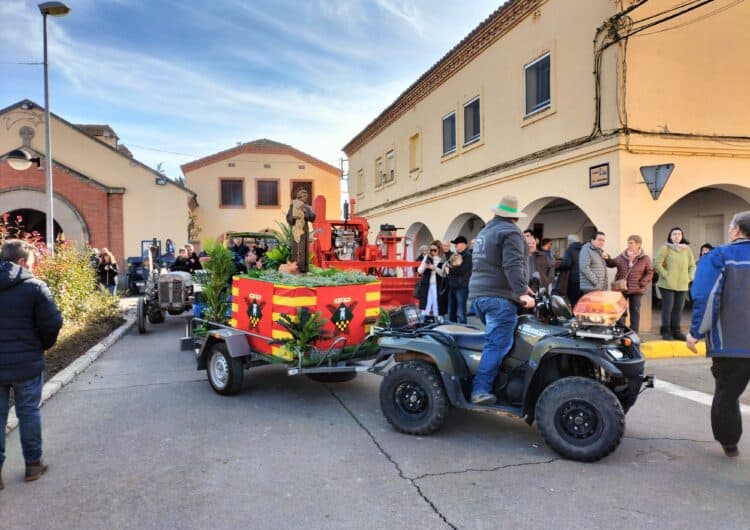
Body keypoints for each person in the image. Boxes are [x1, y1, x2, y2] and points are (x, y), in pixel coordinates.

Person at [0, 240, 63, 487]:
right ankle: (33, 466)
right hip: (27, 363)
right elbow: (52, 323)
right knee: (28, 413)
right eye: (33, 264)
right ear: (23, 262)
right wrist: (41, 346)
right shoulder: (34, 287)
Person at [686, 211, 750, 458]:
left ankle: (729, 443)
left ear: (736, 230)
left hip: (732, 346)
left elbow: (707, 296)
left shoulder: (720, 256)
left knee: (727, 394)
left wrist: (695, 333)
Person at [469, 196, 535, 405]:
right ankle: (480, 389)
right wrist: (521, 292)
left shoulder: (485, 231)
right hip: (499, 298)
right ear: (514, 217)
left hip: (480, 296)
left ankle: (502, 382)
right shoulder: (511, 232)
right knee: (497, 344)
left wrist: (525, 288)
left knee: (501, 340)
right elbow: (512, 264)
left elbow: (490, 264)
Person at [654, 227, 696, 340]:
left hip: (682, 284)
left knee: (678, 308)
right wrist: (666, 275)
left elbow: (692, 265)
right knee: (668, 308)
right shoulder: (665, 248)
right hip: (667, 284)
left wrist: (689, 277)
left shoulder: (687, 250)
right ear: (670, 236)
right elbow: (657, 263)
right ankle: (666, 331)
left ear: (682, 236)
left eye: (679, 234)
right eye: (674, 234)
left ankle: (676, 331)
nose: (677, 236)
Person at [612, 235, 654, 333]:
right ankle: (620, 331)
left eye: (631, 243)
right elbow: (612, 263)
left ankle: (634, 333)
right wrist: (607, 259)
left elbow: (650, 272)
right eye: (628, 242)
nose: (629, 245)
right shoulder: (622, 256)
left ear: (638, 244)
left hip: (636, 289)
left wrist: (642, 283)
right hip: (621, 288)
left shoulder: (645, 258)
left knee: (635, 312)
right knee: (621, 311)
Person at [443, 235, 472, 324]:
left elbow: (462, 270)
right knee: (451, 310)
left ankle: (464, 329)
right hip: (452, 285)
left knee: (461, 311)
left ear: (463, 244)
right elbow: (449, 268)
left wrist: (450, 269)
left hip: (461, 287)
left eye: (456, 244)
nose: (455, 246)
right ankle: (453, 329)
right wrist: (450, 268)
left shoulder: (468, 256)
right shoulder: (456, 255)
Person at [286, 189, 316, 273]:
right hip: (296, 229)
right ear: (299, 196)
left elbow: (313, 218)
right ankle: (296, 268)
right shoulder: (293, 205)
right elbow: (288, 218)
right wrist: (294, 217)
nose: (306, 198)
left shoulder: (307, 207)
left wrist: (305, 212)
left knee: (304, 249)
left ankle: (304, 269)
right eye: (304, 196)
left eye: (307, 196)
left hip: (304, 230)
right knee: (297, 249)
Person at [417, 241, 445, 321]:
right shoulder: (427, 257)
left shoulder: (443, 259)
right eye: (431, 250)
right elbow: (419, 271)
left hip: (438, 285)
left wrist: (434, 268)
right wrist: (425, 267)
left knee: (437, 303)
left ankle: (438, 320)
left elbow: (444, 274)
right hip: (427, 284)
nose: (432, 252)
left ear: (439, 249)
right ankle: (423, 321)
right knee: (427, 303)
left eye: (435, 250)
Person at [557, 234, 583, 305]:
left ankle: (574, 315)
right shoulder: (583, 248)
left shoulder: (570, 249)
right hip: (584, 280)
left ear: (569, 241)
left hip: (573, 280)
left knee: (573, 301)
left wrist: (558, 266)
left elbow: (566, 264)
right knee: (581, 301)